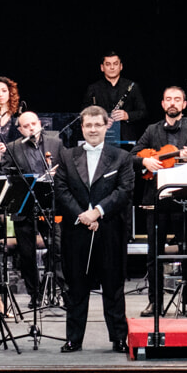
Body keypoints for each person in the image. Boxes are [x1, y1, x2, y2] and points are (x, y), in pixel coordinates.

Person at [55, 106, 134, 353]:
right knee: (76, 286)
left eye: (97, 125)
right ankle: (74, 338)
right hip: (77, 229)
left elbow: (124, 191)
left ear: (106, 126)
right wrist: (83, 215)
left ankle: (119, 338)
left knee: (113, 286)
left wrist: (98, 211)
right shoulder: (67, 155)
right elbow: (61, 189)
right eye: (88, 125)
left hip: (109, 229)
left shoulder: (121, 156)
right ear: (82, 127)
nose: (92, 129)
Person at [133, 87, 187, 317]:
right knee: (154, 254)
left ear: (184, 104)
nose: (173, 103)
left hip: (185, 200)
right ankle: (155, 302)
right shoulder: (151, 130)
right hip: (156, 199)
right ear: (163, 104)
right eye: (168, 99)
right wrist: (146, 163)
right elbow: (133, 155)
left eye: (177, 99)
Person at [0, 111, 66, 309]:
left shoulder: (56, 143)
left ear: (39, 124)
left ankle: (59, 290)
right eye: (26, 125)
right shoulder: (12, 148)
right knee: (26, 254)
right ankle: (35, 294)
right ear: (19, 129)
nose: (31, 128)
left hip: (50, 205)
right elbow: (7, 176)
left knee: (58, 248)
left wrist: (58, 172)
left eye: (33, 123)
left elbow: (68, 168)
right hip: (25, 207)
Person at [83, 51, 146, 141]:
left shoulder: (132, 86)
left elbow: (143, 112)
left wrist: (127, 115)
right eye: (108, 64)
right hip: (101, 138)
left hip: (127, 140)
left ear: (121, 66)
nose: (112, 67)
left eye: (115, 64)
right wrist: (100, 120)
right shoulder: (93, 88)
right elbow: (84, 113)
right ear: (102, 67)